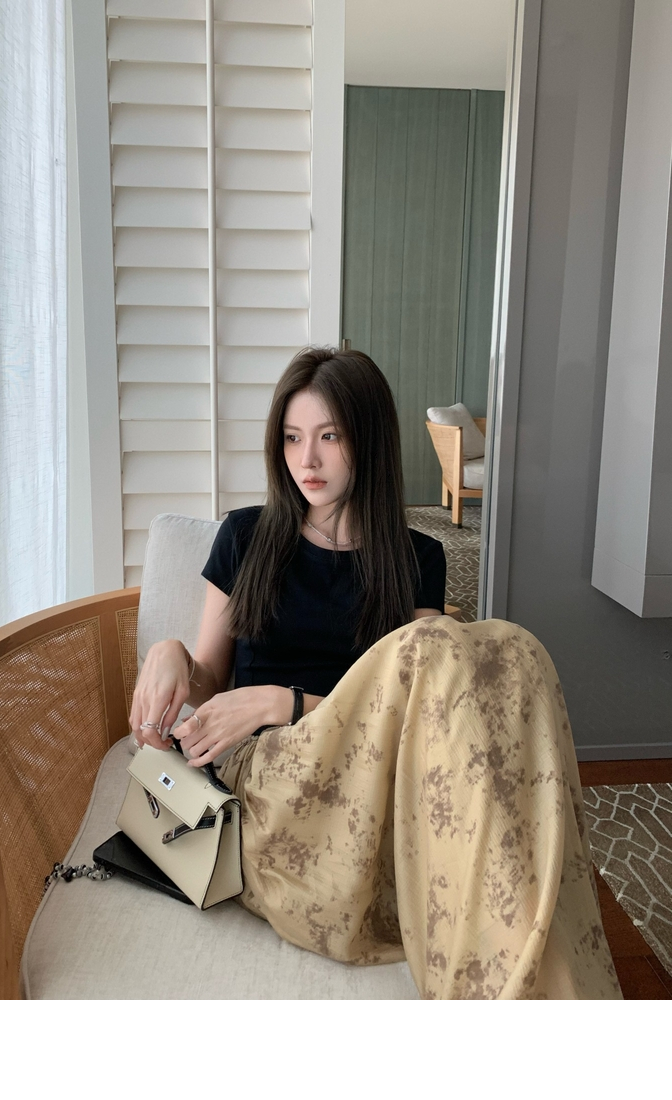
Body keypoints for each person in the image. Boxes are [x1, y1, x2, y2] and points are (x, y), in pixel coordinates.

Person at [130, 346, 621, 1000]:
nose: (306, 460)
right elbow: (209, 679)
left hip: (372, 778)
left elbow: (418, 715)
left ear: (370, 441)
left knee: (514, 650)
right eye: (292, 438)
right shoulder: (245, 537)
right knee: (442, 645)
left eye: (329, 437)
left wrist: (285, 700)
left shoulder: (417, 557)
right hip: (273, 779)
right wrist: (171, 654)